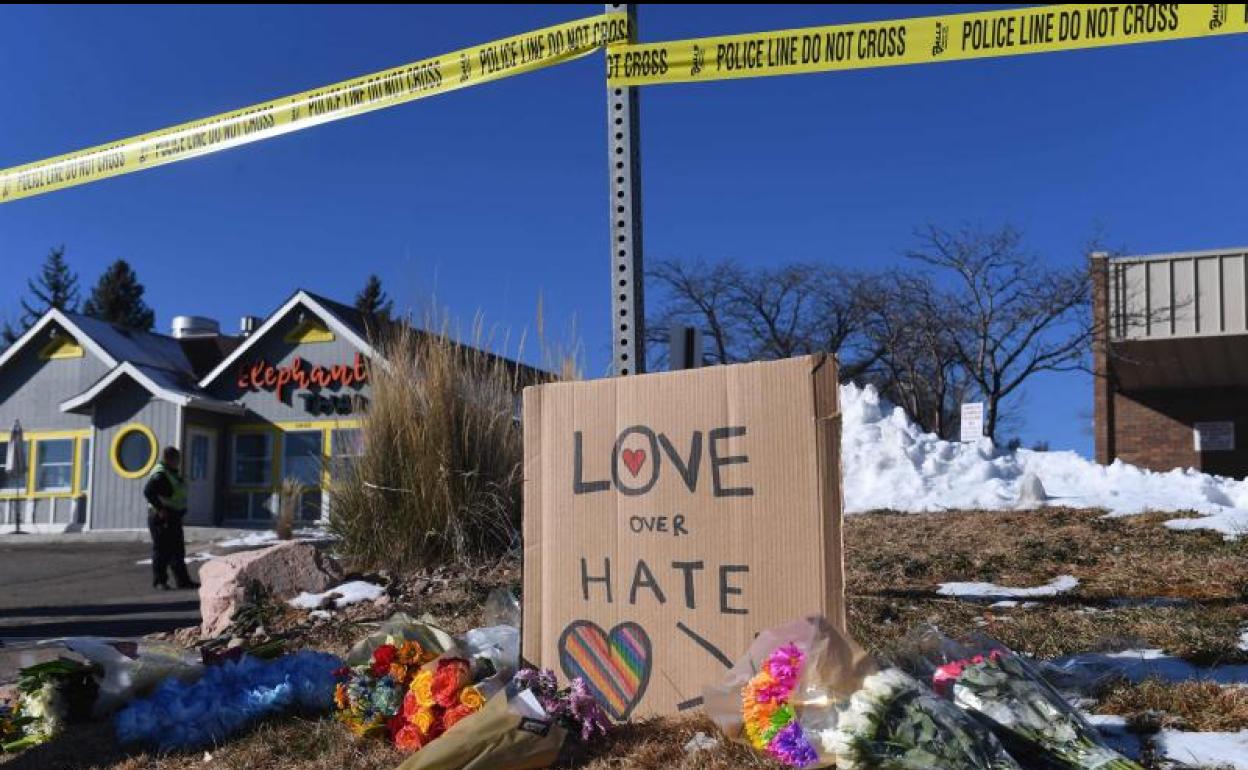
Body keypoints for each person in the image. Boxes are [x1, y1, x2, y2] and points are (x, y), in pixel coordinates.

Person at [144, 446, 198, 590]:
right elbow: (148, 491)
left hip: (173, 516)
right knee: (162, 550)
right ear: (169, 459)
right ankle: (160, 581)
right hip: (161, 517)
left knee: (177, 550)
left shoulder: (171, 473)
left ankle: (183, 581)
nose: (179, 462)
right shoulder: (160, 474)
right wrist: (160, 509)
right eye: (177, 459)